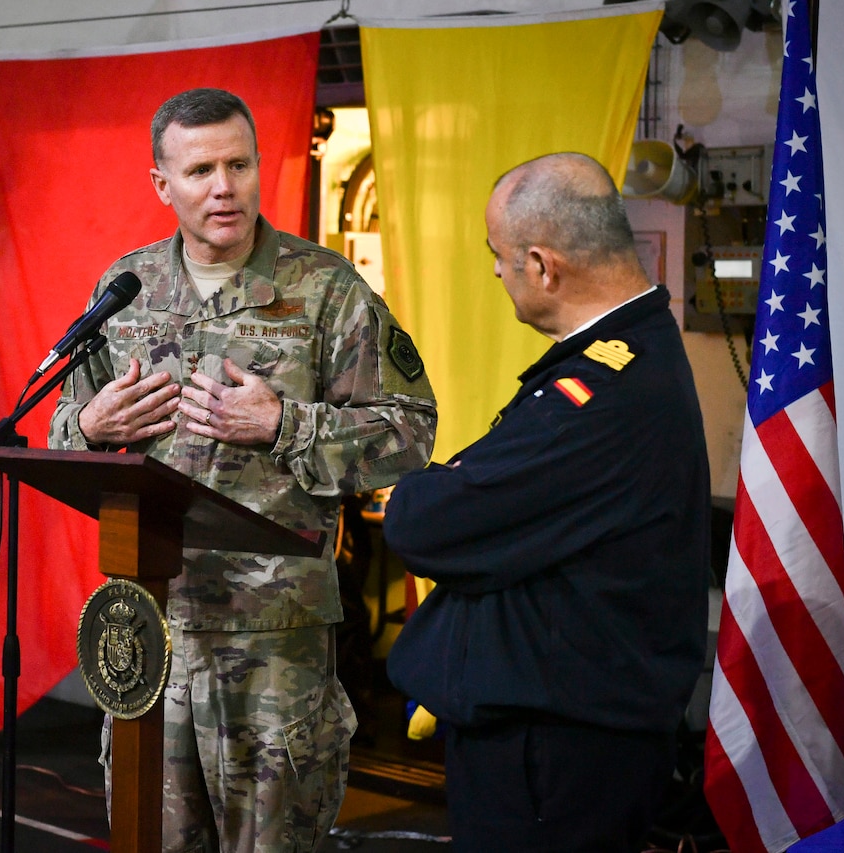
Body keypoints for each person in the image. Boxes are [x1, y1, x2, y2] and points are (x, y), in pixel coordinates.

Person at [48, 87, 437, 852]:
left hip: (274, 640)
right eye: (200, 171)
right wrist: (90, 426)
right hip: (151, 629)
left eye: (238, 164)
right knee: (151, 838)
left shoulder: (325, 291)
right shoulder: (123, 292)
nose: (223, 187)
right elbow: (64, 426)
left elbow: (410, 431)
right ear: (163, 184)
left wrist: (285, 423)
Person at [383, 152, 710, 853]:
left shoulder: (606, 391)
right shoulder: (624, 359)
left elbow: (431, 520)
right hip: (561, 735)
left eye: (498, 257)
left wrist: (417, 488)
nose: (497, 273)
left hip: (558, 753)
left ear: (542, 264)